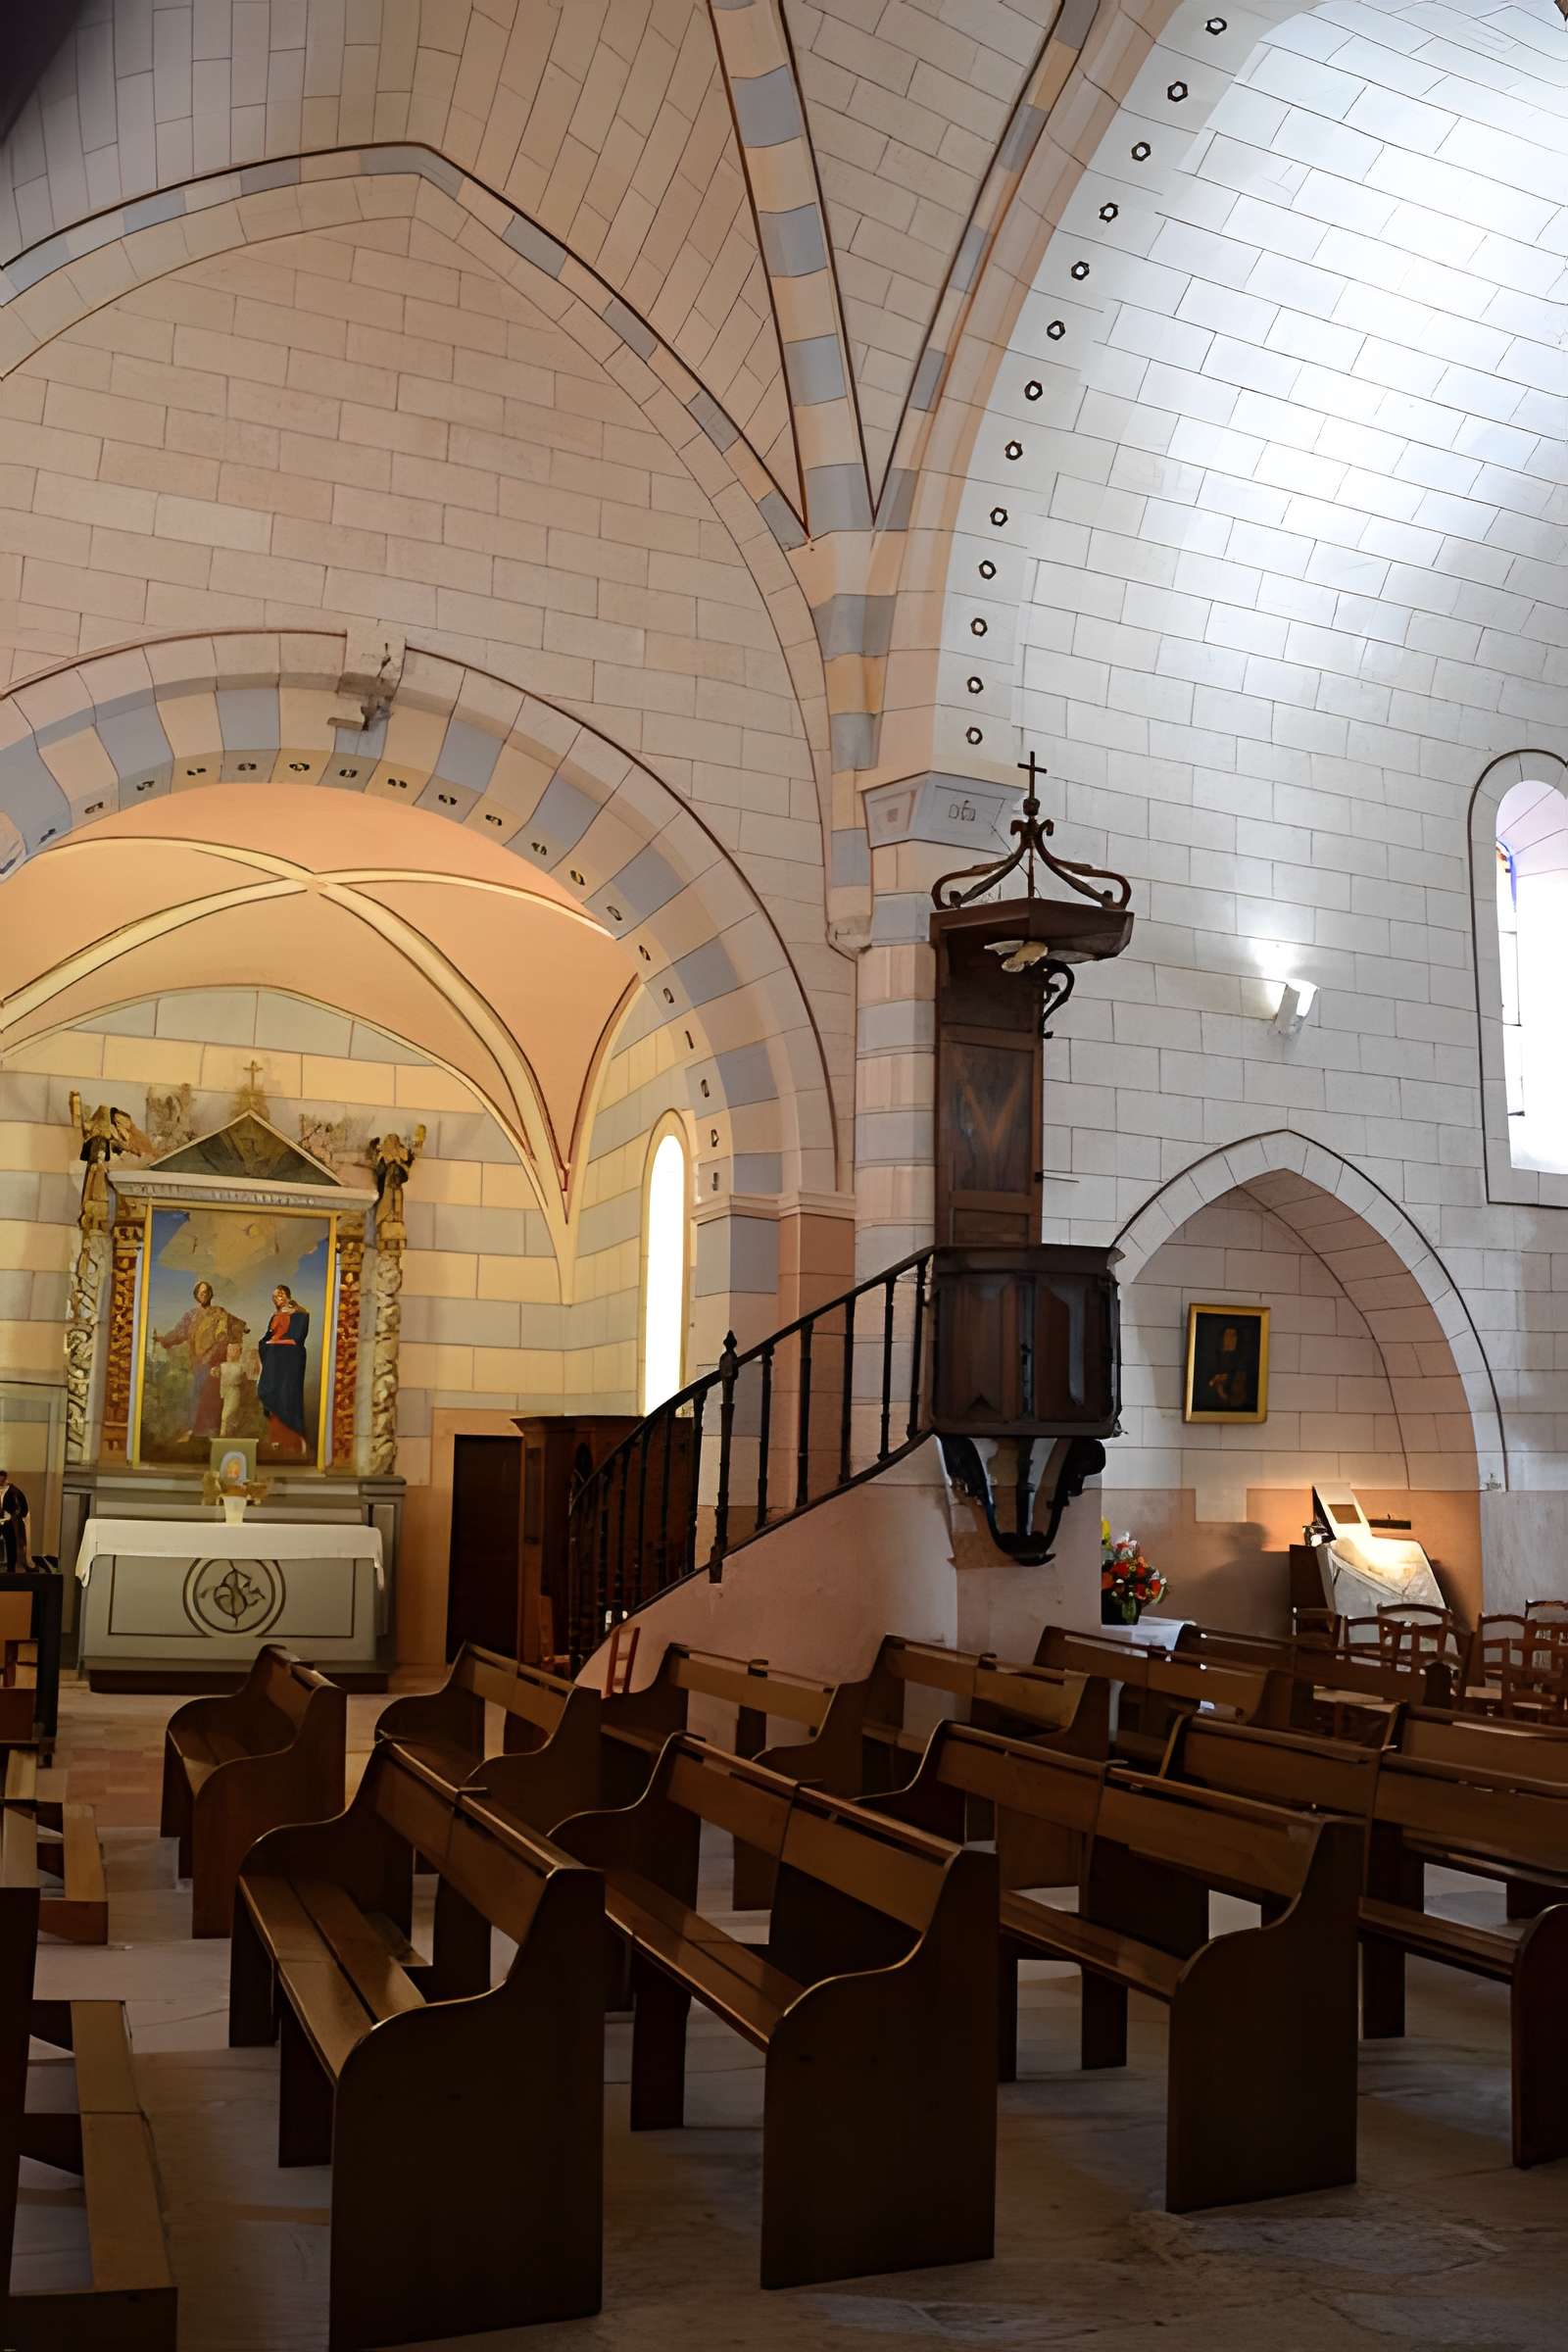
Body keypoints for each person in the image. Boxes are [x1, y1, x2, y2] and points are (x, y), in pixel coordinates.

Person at [156, 1281, 245, 1441]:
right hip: (198, 1361)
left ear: (211, 1294)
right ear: (196, 1296)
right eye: (200, 1292)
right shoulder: (191, 1316)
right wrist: (164, 1340)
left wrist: (214, 1355)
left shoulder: (219, 1312)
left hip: (215, 1360)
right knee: (197, 1393)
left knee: (211, 1395)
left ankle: (209, 1431)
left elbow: (227, 1331)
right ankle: (194, 1430)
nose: (203, 1295)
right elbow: (178, 1333)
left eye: (206, 1292)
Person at [257, 1285, 311, 1458]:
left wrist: (273, 1344)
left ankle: (293, 1442)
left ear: (287, 1295)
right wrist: (266, 1344)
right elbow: (267, 1338)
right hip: (274, 1362)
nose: (277, 1298)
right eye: (274, 1296)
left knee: (287, 1398)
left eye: (279, 1294)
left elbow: (296, 1340)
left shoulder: (301, 1315)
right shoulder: (275, 1316)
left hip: (289, 1363)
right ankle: (277, 1439)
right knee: (271, 1395)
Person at [218, 1341, 251, 1437]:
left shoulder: (241, 1366)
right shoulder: (222, 1366)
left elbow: (246, 1381)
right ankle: (225, 1434)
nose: (232, 1351)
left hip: (234, 1391)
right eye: (230, 1349)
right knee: (225, 1413)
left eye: (235, 1350)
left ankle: (224, 1433)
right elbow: (217, 1377)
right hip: (225, 1392)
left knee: (228, 1413)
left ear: (239, 1352)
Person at [0, 1470, 27, 1569]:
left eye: (2, 1478)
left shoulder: (13, 1490)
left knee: (11, 1544)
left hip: (8, 1521)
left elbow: (23, 1506)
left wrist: (16, 1514)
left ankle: (11, 1568)